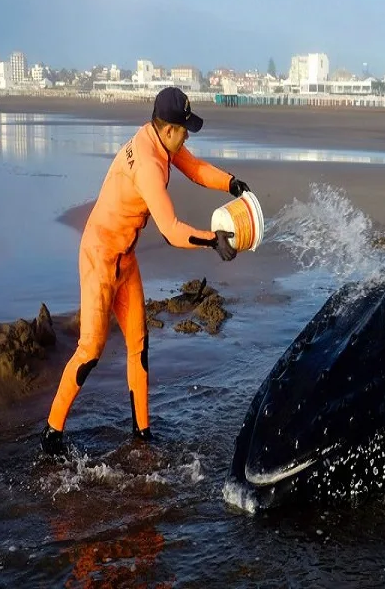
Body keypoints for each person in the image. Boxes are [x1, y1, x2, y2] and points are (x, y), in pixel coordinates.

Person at [40, 86, 251, 456]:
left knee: (139, 345)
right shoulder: (151, 166)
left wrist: (231, 183)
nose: (187, 135)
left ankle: (141, 432)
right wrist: (213, 240)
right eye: (184, 129)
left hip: (125, 260)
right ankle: (52, 434)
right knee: (90, 349)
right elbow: (170, 231)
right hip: (99, 257)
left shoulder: (157, 139)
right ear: (168, 129)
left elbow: (195, 168)